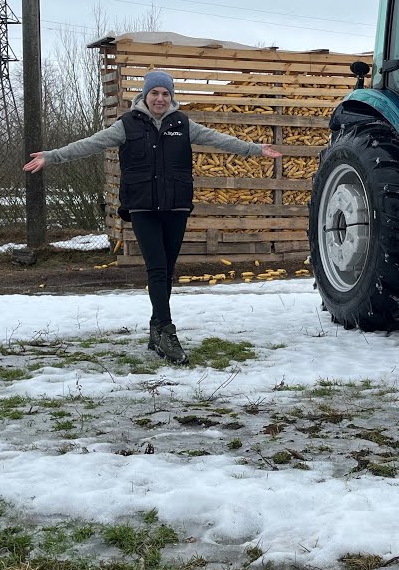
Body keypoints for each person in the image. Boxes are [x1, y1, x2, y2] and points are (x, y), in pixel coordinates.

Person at [24, 70, 282, 364]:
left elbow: (219, 140)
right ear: (145, 95)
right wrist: (52, 155)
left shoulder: (182, 124)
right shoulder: (127, 125)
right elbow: (90, 144)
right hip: (143, 207)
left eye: (165, 93)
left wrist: (254, 149)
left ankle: (155, 328)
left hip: (176, 207)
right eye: (154, 93)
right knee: (157, 268)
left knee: (167, 269)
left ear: (171, 97)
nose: (160, 98)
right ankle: (167, 330)